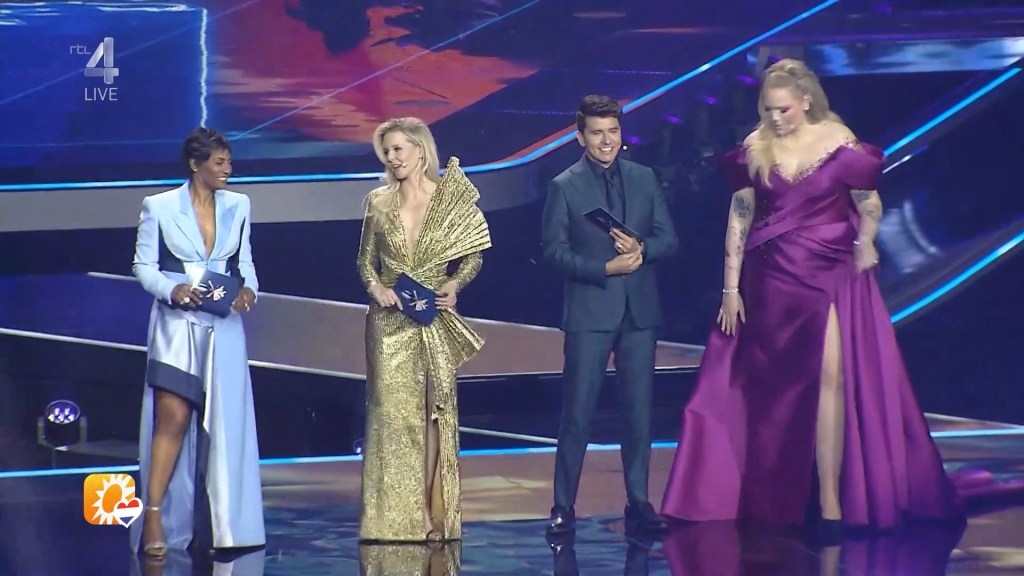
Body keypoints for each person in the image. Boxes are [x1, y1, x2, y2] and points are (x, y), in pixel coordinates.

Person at [660, 59, 963, 532]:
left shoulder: (839, 142)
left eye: (782, 109)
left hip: (830, 275)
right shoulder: (755, 148)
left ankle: (830, 502)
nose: (775, 118)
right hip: (771, 280)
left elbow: (869, 202)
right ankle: (775, 496)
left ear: (805, 101)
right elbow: (740, 218)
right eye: (767, 109)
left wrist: (867, 242)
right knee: (776, 390)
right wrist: (730, 288)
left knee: (829, 381)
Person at [541, 95, 678, 535]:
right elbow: (553, 252)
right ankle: (563, 506)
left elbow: (668, 238)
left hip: (640, 313)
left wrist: (642, 250)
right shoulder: (565, 186)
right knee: (578, 412)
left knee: (638, 413)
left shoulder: (644, 178)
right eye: (597, 133)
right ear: (580, 137)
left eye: (613, 131)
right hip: (590, 314)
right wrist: (605, 268)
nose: (606, 141)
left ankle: (639, 501)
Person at [129, 128, 265, 557]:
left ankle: (223, 527)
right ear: (195, 164)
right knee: (173, 418)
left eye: (229, 162)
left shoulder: (239, 205)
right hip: (176, 327)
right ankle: (154, 515)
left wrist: (249, 291)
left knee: (223, 427)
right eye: (220, 162)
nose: (228, 170)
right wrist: (171, 290)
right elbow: (143, 266)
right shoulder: (159, 206)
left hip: (223, 328)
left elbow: (244, 262)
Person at [356, 117, 492, 543]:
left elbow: (473, 256)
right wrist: (377, 288)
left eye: (398, 149)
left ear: (420, 150)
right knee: (392, 417)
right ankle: (389, 520)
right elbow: (365, 262)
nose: (392, 158)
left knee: (435, 413)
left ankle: (430, 514)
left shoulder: (447, 200)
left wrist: (454, 284)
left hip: (432, 318)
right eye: (386, 151)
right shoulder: (377, 201)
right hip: (388, 324)